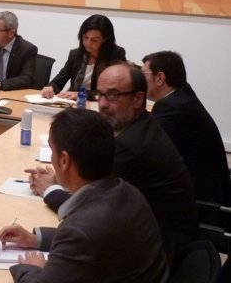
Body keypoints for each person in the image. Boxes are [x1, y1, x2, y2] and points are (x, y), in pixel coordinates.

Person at [27, 63, 198, 260]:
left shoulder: (131, 147)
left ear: (138, 99)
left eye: (114, 95)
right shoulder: (140, 126)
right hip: (149, 239)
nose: (103, 104)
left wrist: (49, 189)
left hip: (158, 254)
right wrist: (61, 178)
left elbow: (89, 212)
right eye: (100, 94)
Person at [0, 108, 171, 283]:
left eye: (52, 150)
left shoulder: (81, 231)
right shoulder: (126, 191)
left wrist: (32, 268)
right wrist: (35, 240)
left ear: (64, 161)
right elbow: (96, 242)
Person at [142, 51, 231, 206]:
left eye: (143, 74)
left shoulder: (171, 107)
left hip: (201, 202)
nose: (140, 80)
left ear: (160, 78)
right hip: (211, 190)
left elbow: (148, 150)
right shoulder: (182, 96)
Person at [41, 14, 126, 100]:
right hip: (75, 103)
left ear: (105, 39)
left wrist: (82, 94)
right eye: (85, 37)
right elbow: (59, 80)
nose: (88, 43)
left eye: (94, 40)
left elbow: (113, 90)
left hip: (100, 105)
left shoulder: (115, 55)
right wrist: (50, 88)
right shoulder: (75, 54)